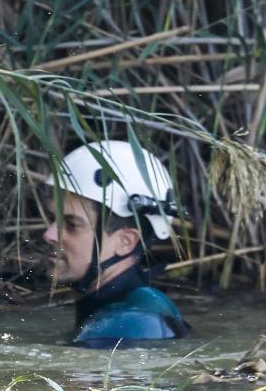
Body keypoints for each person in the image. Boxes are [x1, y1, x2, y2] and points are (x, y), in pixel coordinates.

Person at [42, 140, 189, 348]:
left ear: (125, 242)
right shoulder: (131, 312)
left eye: (72, 224)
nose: (49, 234)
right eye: (53, 219)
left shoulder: (128, 322)